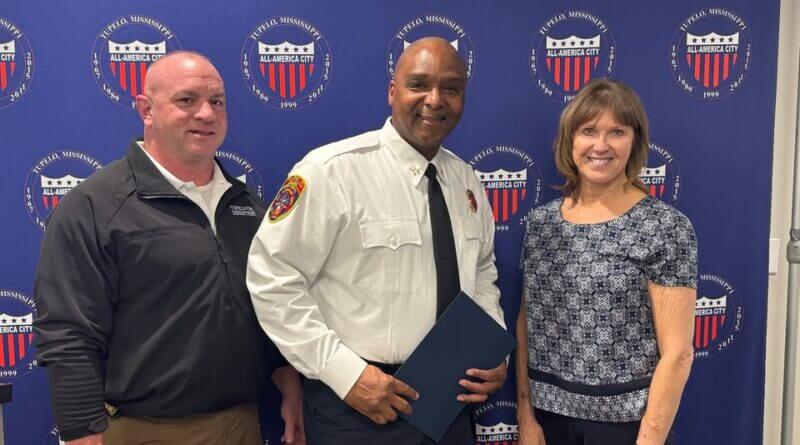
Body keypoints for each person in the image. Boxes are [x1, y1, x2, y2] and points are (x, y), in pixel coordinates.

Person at [33, 51, 304, 445]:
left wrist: (289, 382)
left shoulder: (246, 207)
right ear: (146, 110)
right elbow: (68, 331)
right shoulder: (94, 207)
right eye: (186, 100)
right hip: (140, 429)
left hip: (240, 424)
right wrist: (81, 431)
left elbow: (268, 307)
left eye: (217, 102)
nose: (207, 114)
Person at [246, 37, 507, 444]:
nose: (435, 100)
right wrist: (346, 375)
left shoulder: (466, 181)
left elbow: (482, 269)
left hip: (450, 404)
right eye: (418, 84)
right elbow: (271, 278)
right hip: (360, 406)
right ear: (392, 91)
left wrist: (491, 350)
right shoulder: (332, 172)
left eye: (451, 88)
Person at [515, 79, 697, 445]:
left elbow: (677, 353)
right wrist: (525, 416)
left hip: (625, 427)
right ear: (571, 141)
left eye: (617, 131)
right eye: (588, 131)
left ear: (634, 142)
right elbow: (526, 322)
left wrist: (649, 439)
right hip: (549, 421)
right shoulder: (541, 224)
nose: (601, 145)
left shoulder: (664, 227)